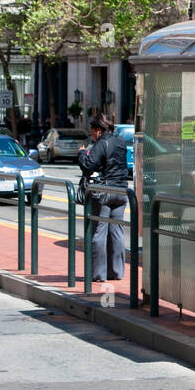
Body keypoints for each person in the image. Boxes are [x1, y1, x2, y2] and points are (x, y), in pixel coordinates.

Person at [78, 113, 128, 283]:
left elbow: (88, 165)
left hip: (105, 191)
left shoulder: (101, 143)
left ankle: (98, 274)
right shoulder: (120, 141)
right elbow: (112, 162)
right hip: (121, 191)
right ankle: (116, 271)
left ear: (98, 130)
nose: (92, 135)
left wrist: (83, 153)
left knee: (99, 232)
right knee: (117, 232)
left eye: (92, 132)